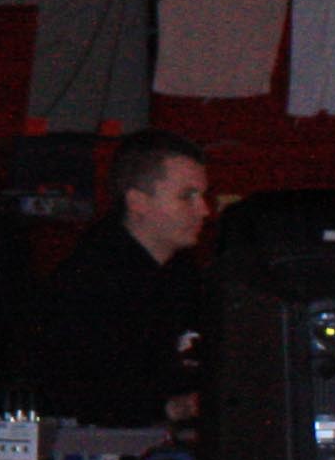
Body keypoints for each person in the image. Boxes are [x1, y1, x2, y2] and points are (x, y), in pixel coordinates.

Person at [31, 130, 213, 429]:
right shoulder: (89, 282)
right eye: (186, 197)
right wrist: (170, 406)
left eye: (202, 196)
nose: (204, 210)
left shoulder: (184, 275)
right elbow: (78, 392)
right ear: (138, 202)